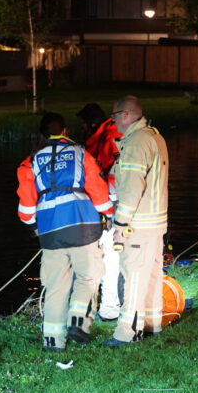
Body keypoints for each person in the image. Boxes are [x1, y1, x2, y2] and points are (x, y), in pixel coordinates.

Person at [17, 113, 113, 351]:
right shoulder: (81, 154)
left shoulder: (30, 162)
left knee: (55, 286)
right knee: (88, 276)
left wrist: (36, 226)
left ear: (42, 135)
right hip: (83, 227)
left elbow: (26, 212)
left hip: (50, 233)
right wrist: (110, 214)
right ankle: (78, 321)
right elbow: (100, 196)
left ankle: (53, 341)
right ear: (66, 131)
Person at [106, 95, 169, 347]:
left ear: (126, 115)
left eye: (114, 116)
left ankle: (126, 333)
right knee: (151, 275)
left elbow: (132, 189)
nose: (113, 121)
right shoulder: (154, 136)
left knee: (132, 276)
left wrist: (120, 225)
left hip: (138, 224)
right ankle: (152, 324)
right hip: (155, 222)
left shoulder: (136, 143)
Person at [77, 102, 123, 321]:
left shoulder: (110, 136)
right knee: (107, 251)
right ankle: (107, 300)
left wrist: (108, 206)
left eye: (83, 124)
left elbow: (115, 171)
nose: (82, 128)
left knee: (111, 252)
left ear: (91, 123)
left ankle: (110, 306)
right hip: (107, 203)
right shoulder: (101, 137)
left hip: (113, 204)